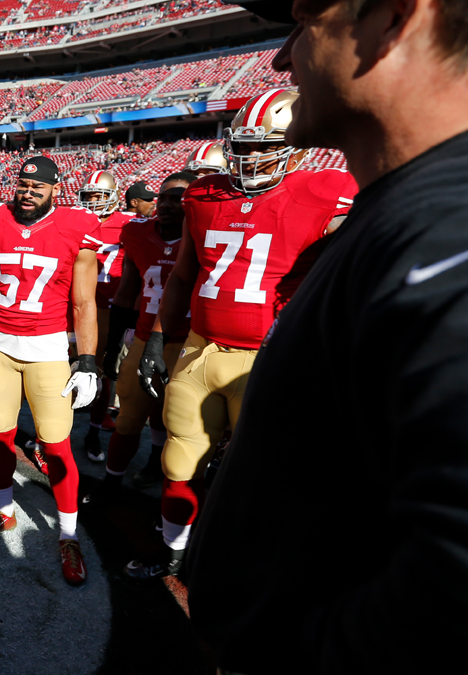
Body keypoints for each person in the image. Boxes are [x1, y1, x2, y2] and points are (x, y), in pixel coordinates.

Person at [188, 0, 468, 671]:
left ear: (396, 16)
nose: (284, 56)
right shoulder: (401, 211)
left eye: (304, 19)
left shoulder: (441, 227)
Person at [127, 88, 358, 579]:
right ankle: (174, 548)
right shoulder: (204, 196)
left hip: (270, 358)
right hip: (199, 348)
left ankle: (250, 562)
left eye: (263, 146)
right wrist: (157, 339)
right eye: (243, 145)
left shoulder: (328, 192)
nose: (250, 157)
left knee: (265, 475)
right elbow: (184, 275)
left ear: (298, 145)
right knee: (179, 458)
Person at [0, 155, 102, 587]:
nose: (28, 190)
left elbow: (84, 302)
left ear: (55, 189)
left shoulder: (76, 226)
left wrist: (88, 359)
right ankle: (4, 514)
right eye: (23, 183)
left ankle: (68, 536)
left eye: (38, 186)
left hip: (49, 351)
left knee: (56, 447)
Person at [89, 172, 197, 503]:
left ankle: (158, 470)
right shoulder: (136, 233)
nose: (165, 204)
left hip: (188, 342)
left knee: (176, 421)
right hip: (144, 336)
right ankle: (111, 484)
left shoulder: (204, 236)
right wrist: (112, 346)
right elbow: (126, 292)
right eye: (162, 197)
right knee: (129, 417)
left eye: (175, 198)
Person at [76, 169, 139, 463]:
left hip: (107, 307)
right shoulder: (73, 219)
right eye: (87, 195)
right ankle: (46, 436)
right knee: (63, 367)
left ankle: (92, 431)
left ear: (113, 197)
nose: (92, 202)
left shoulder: (130, 224)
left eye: (98, 195)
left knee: (102, 372)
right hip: (73, 303)